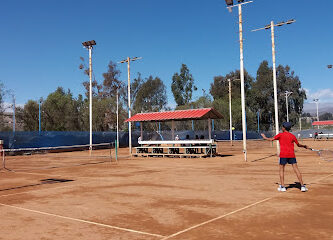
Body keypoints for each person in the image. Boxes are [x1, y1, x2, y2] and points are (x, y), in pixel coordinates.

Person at [261, 122, 308, 192]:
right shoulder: (292, 136)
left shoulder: (280, 135)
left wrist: (264, 137)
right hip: (291, 155)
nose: (281, 128)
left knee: (281, 170)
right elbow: (298, 145)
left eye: (282, 127)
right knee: (296, 170)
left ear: (284, 128)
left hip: (283, 155)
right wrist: (304, 146)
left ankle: (283, 187)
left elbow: (271, 139)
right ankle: (302, 186)